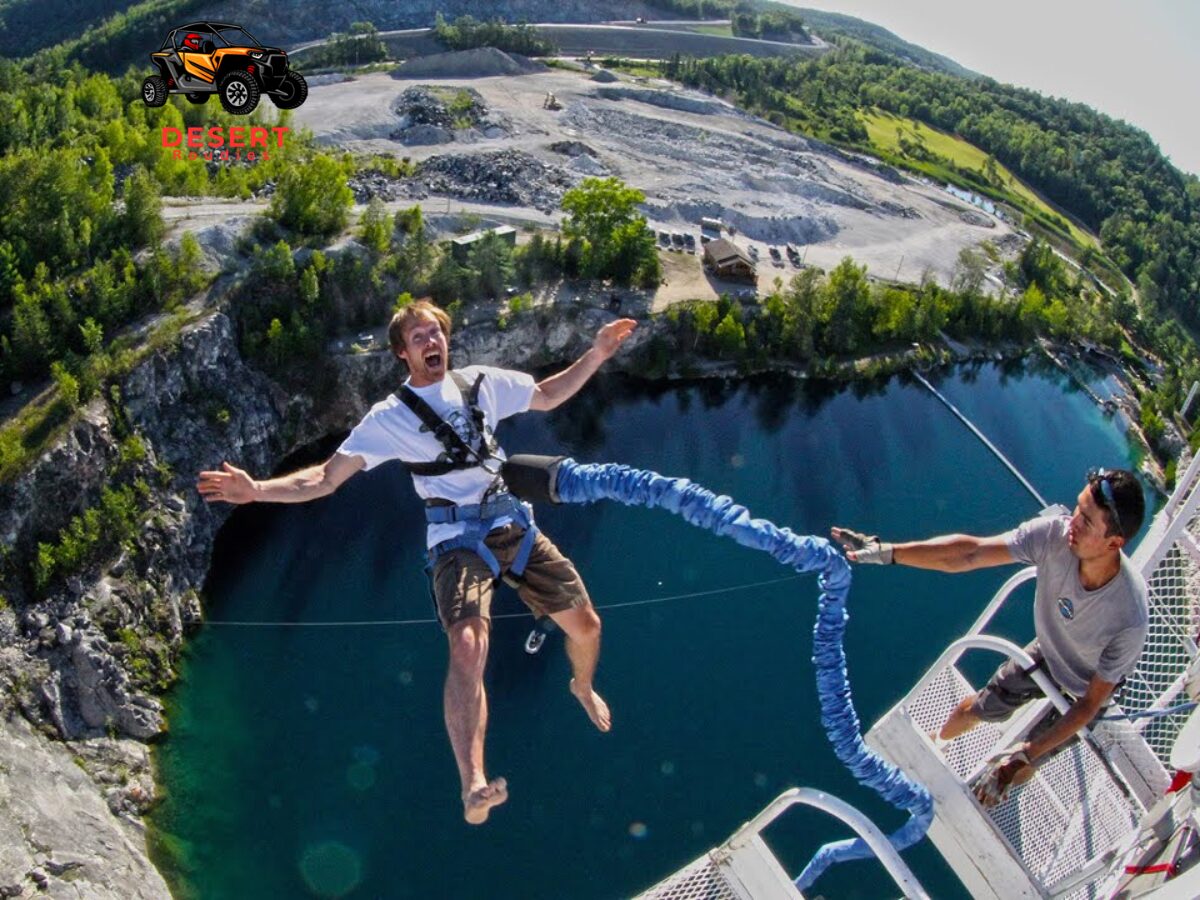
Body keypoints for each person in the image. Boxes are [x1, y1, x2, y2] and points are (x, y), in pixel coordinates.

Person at [198, 299, 637, 825]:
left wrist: (597, 353)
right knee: (469, 644)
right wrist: (256, 491)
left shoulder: (480, 384)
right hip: (455, 536)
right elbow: (324, 478)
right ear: (402, 353)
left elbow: (545, 395)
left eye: (437, 333)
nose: (433, 342)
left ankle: (581, 686)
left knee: (587, 627)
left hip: (510, 521)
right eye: (419, 337)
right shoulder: (390, 419)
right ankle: (472, 783)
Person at [832, 467, 1148, 807]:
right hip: (1049, 650)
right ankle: (938, 744)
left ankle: (1000, 784)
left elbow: (1089, 703)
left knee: (1026, 760)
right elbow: (971, 553)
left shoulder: (1128, 616)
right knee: (978, 707)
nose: (1072, 522)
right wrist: (889, 552)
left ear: (1115, 542)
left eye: (1086, 521)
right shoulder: (1054, 537)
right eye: (1077, 508)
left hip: (1086, 686)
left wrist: (1025, 755)